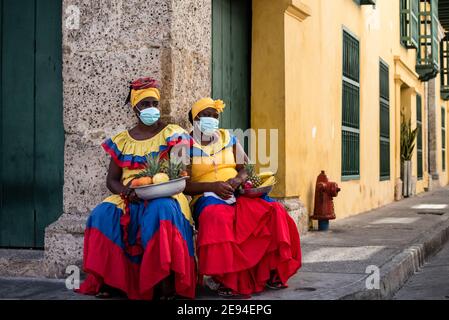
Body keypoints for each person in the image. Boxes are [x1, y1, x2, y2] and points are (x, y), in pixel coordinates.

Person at [76, 78, 196, 300]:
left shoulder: (173, 133)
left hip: (166, 193)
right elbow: (111, 180)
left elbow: (181, 174)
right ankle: (112, 281)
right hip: (130, 193)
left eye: (154, 103)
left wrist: (162, 186)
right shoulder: (123, 140)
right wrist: (124, 191)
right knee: (102, 213)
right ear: (135, 108)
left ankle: (163, 281)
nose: (151, 109)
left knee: (160, 212)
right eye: (145, 104)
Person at [184, 97, 302, 298]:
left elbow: (247, 167)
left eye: (215, 116)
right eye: (206, 116)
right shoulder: (184, 144)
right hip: (205, 195)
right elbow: (184, 184)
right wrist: (213, 186)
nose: (212, 119)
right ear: (195, 119)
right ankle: (225, 278)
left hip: (236, 191)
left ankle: (271, 270)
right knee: (217, 217)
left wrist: (237, 180)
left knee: (274, 209)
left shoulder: (228, 138)